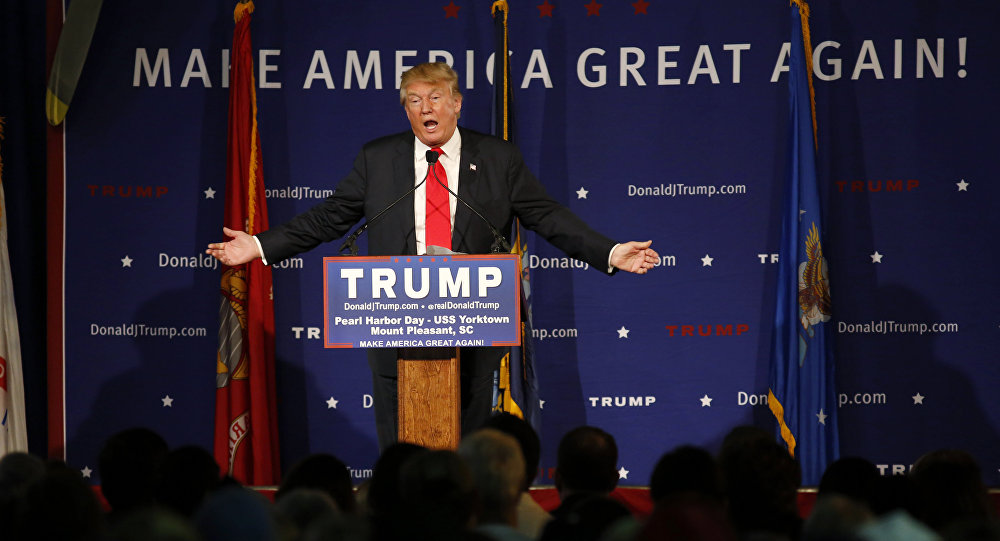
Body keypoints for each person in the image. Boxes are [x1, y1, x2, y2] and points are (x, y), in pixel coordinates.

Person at [206, 62, 660, 449]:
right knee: (401, 441)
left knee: (470, 438)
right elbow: (329, 219)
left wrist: (611, 251)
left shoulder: (498, 159)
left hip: (473, 319)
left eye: (436, 97)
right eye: (415, 100)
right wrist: (260, 244)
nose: (427, 108)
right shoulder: (378, 159)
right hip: (395, 320)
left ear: (457, 103)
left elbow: (547, 216)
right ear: (405, 109)